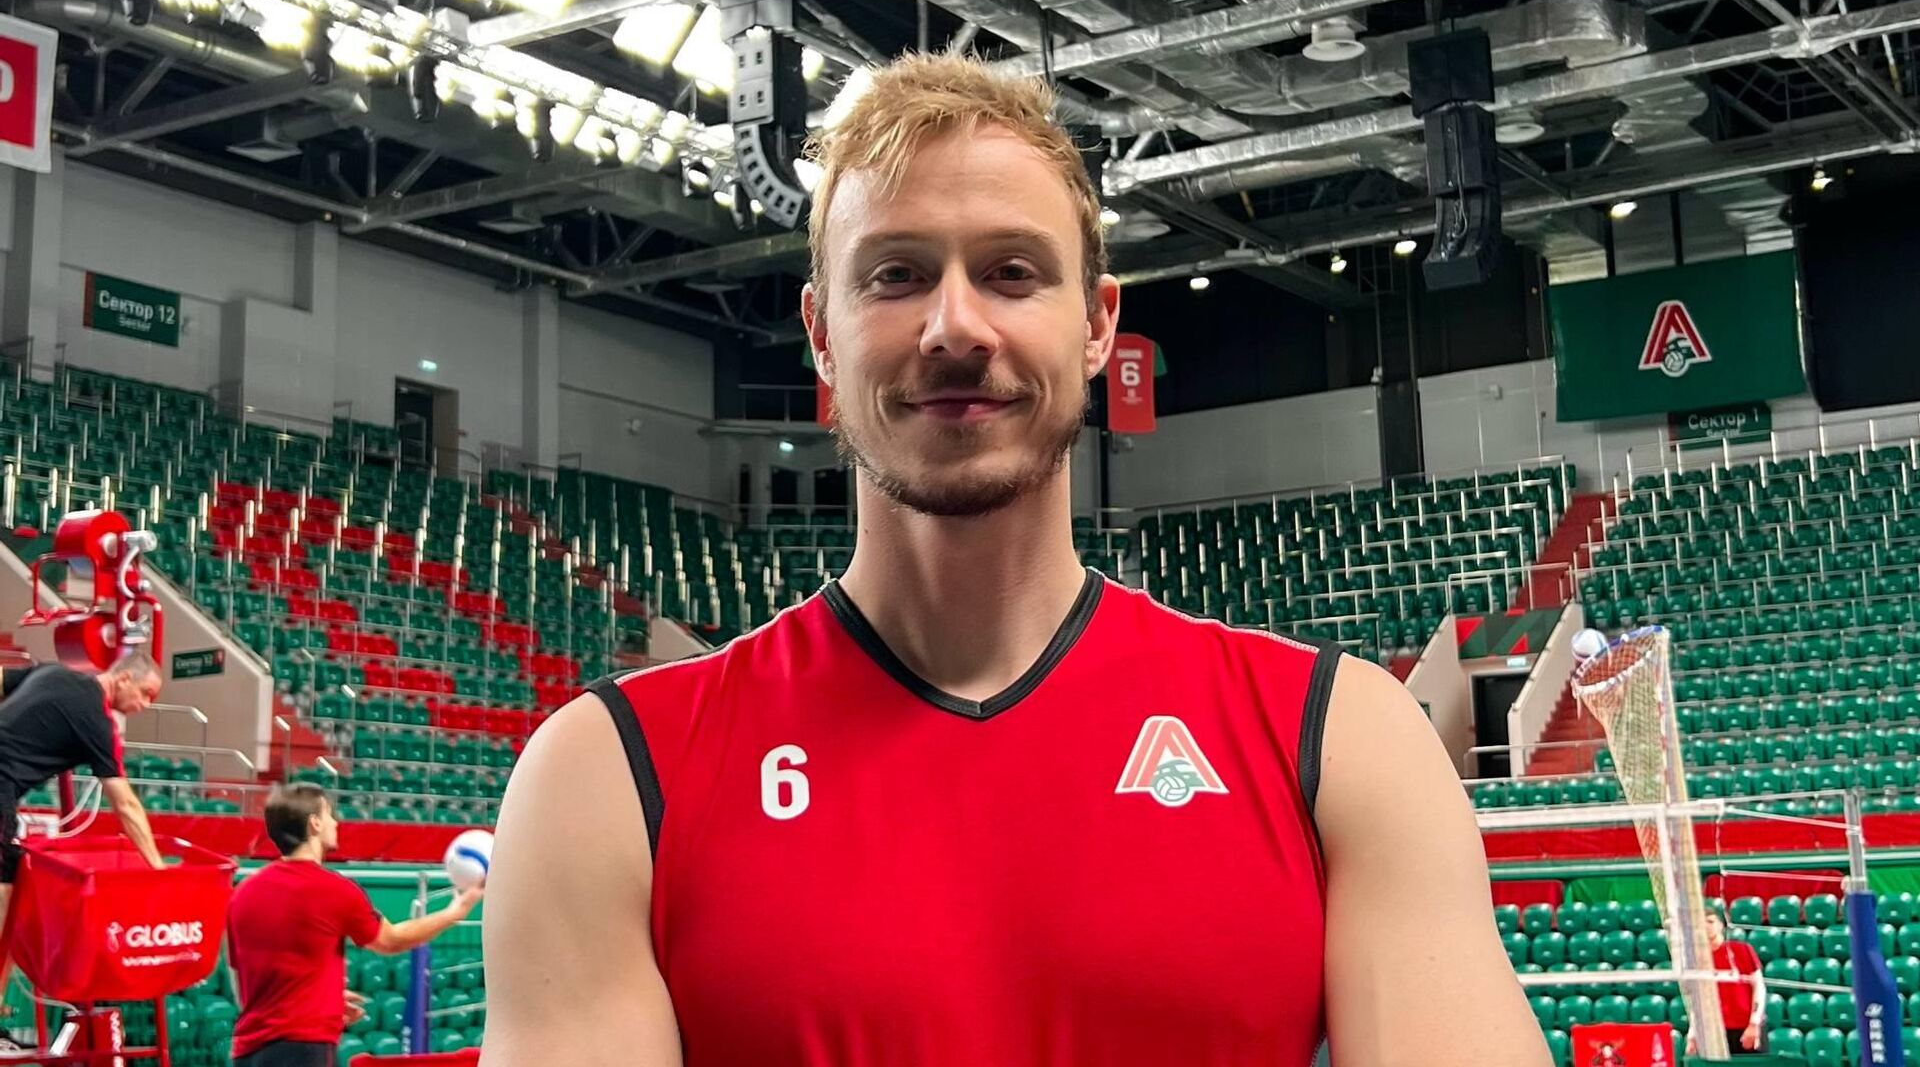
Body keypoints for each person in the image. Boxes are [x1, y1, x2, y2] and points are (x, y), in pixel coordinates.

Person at [483, 52, 1547, 1066]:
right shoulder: (611, 777)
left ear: (1096, 324)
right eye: (896, 275)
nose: (955, 327)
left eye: (1011, 273)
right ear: (821, 333)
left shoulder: (1337, 739)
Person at [226, 784, 480, 1067]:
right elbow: (391, 940)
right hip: (303, 1049)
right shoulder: (334, 890)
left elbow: (241, 982)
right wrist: (453, 913)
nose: (336, 822)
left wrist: (320, 998)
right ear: (315, 823)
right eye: (329, 814)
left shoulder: (242, 893)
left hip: (246, 1052)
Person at [0, 654, 167, 1054]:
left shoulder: (52, 672)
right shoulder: (97, 720)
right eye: (146, 694)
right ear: (123, 679)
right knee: (3, 897)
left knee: (11, 884)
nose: (145, 705)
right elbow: (125, 804)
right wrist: (159, 868)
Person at [1697, 909, 1767, 1056]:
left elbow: (1759, 986)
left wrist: (1754, 1023)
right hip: (1717, 1030)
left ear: (1721, 925)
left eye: (1710, 921)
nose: (1706, 926)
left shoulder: (1741, 950)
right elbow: (1697, 999)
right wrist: (1693, 1034)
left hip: (1746, 1027)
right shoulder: (1700, 960)